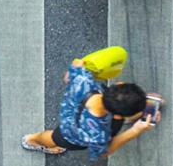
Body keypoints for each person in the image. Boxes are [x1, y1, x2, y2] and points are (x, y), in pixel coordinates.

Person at [22, 57, 158, 159]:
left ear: (118, 84)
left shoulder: (84, 81)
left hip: (72, 111)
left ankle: (34, 139)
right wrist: (135, 130)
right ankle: (32, 140)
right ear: (117, 116)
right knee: (55, 138)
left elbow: (74, 68)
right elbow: (104, 152)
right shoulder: (98, 133)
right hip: (71, 133)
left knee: (56, 136)